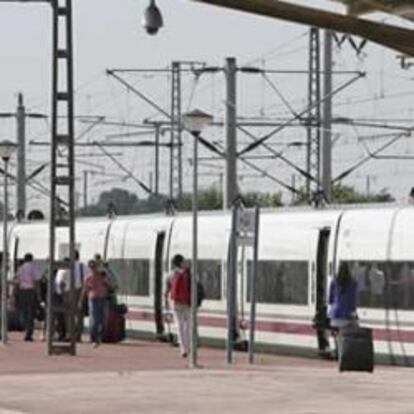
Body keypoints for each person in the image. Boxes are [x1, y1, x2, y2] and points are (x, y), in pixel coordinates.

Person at [78, 259, 112, 347]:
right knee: (94, 319)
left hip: (102, 298)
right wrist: (81, 301)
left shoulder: (102, 275)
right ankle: (93, 338)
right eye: (91, 267)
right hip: (93, 298)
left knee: (103, 318)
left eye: (94, 266)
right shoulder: (88, 277)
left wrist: (105, 279)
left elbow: (109, 284)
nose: (93, 268)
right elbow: (84, 290)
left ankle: (100, 336)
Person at [165, 254, 191, 358]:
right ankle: (188, 346)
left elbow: (167, 290)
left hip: (175, 302)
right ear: (181, 262)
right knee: (188, 325)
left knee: (179, 325)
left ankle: (183, 348)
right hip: (187, 302)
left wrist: (166, 302)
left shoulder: (170, 275)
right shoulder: (188, 274)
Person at [16, 253, 40, 341]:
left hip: (22, 291)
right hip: (30, 291)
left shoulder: (20, 268)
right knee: (31, 313)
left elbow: (18, 281)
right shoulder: (33, 268)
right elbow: (36, 281)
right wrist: (38, 294)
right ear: (31, 259)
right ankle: (29, 332)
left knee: (24, 312)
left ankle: (26, 328)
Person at [328, 262, 358, 330]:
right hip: (346, 316)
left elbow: (330, 300)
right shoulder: (353, 283)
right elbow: (353, 301)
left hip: (334, 315)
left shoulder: (334, 282)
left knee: (336, 333)